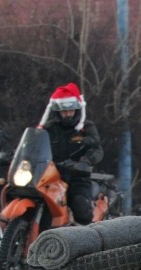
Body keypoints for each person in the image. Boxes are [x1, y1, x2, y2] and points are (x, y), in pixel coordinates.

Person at [38, 82, 104, 225]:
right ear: (57, 111)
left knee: (81, 208)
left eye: (70, 111)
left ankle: (87, 241)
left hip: (77, 177)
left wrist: (85, 161)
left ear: (77, 109)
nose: (67, 114)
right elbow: (35, 144)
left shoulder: (86, 127)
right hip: (51, 177)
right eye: (64, 111)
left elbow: (97, 149)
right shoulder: (49, 128)